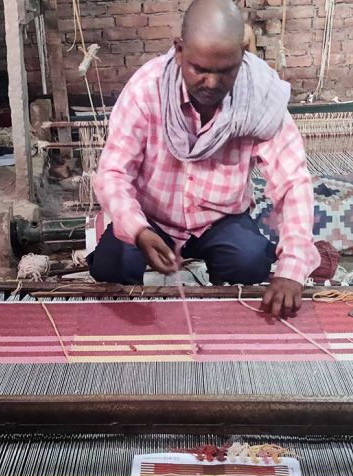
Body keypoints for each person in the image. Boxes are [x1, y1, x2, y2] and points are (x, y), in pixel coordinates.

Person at [89, 0, 320, 319]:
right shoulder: (147, 89)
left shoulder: (261, 98)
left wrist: (293, 268)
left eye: (225, 71)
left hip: (220, 218)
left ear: (243, 55)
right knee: (112, 263)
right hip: (153, 217)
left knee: (250, 262)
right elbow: (113, 173)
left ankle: (222, 331)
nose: (211, 83)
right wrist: (138, 229)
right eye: (199, 69)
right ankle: (133, 336)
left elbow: (293, 183)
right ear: (180, 50)